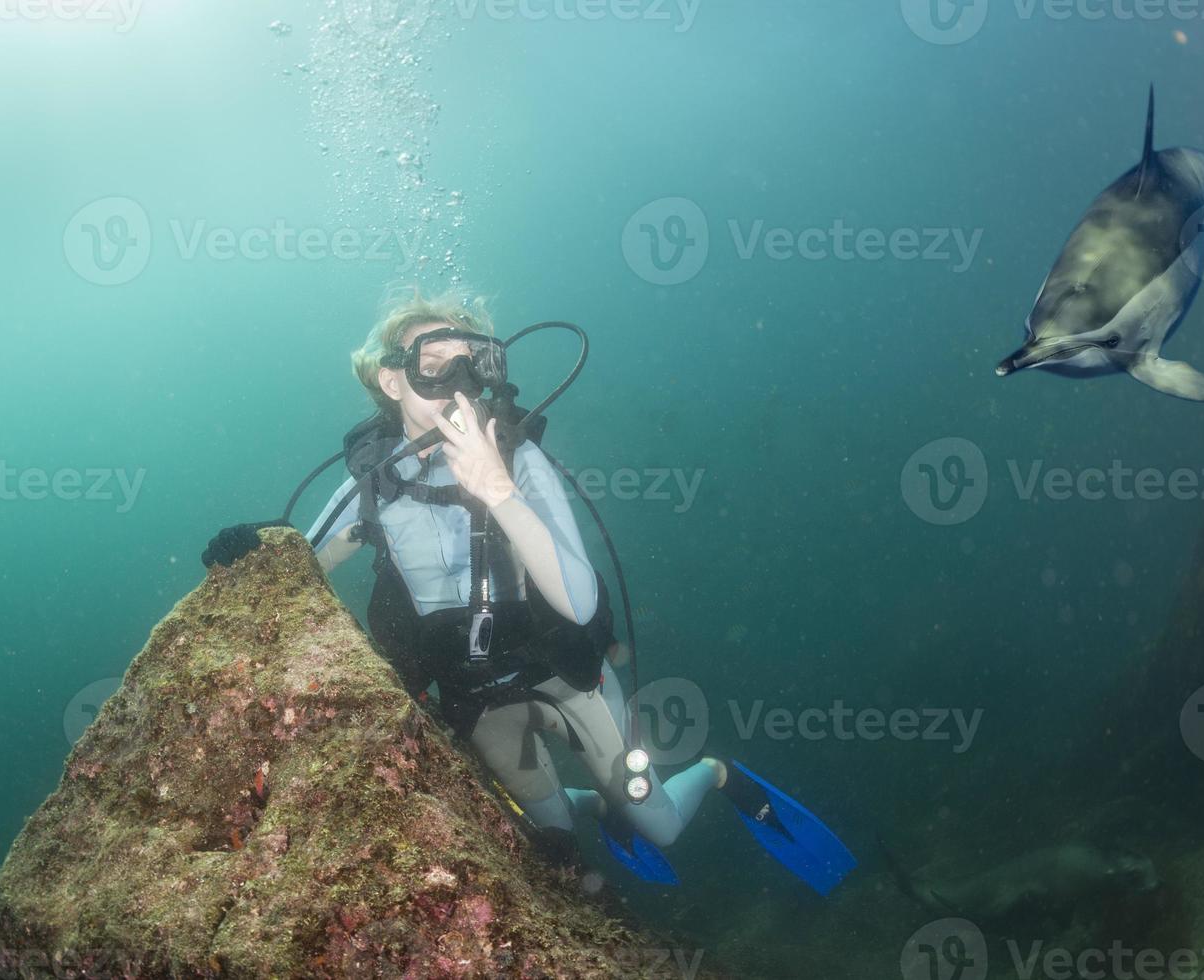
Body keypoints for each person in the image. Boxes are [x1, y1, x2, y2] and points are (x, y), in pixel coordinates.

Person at [203, 294, 855, 895]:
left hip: (567, 673)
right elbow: (304, 564)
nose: (456, 386)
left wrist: (500, 494)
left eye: (471, 365)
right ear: (391, 380)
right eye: (433, 366)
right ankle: (598, 805)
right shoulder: (371, 485)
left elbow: (578, 605)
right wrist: (257, 550)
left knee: (662, 828)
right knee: (549, 841)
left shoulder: (519, 462)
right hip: (476, 697)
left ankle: (714, 773)